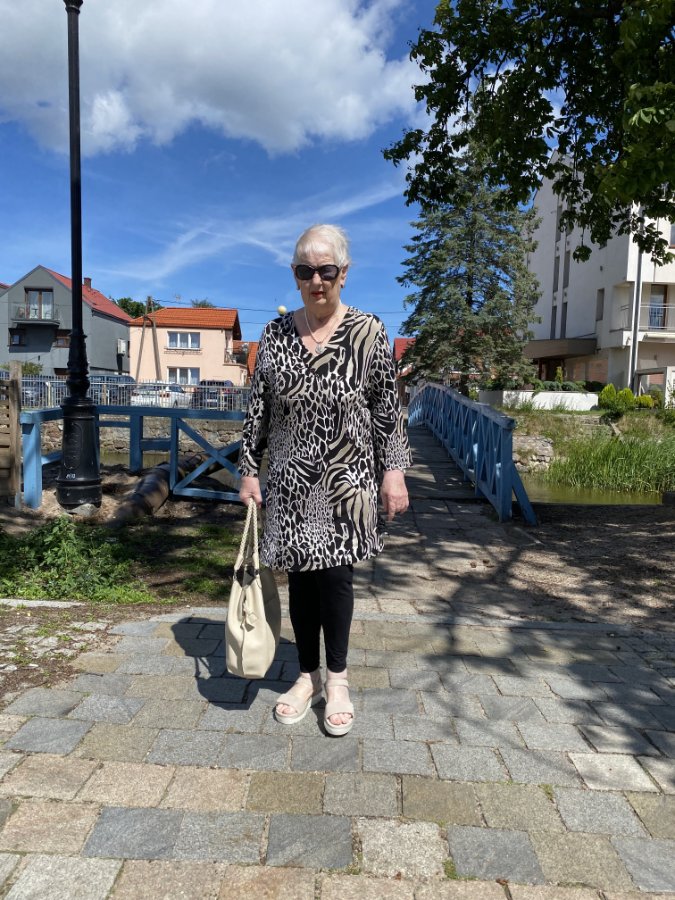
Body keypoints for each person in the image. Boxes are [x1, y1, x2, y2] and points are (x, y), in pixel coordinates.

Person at [239, 224, 411, 736]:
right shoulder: (275, 335)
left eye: (326, 270)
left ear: (343, 273)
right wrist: (249, 470)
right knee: (301, 578)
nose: (316, 280)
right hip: (290, 478)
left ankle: (337, 680)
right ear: (295, 276)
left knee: (335, 578)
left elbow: (387, 409)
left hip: (346, 478)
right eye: (305, 271)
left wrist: (394, 471)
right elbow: (258, 410)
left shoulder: (369, 332)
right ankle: (306, 675)